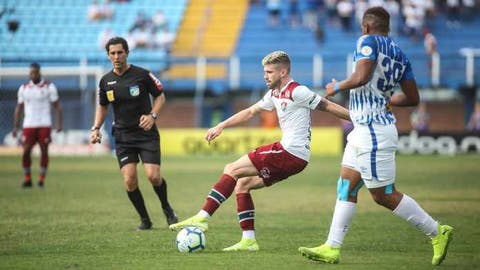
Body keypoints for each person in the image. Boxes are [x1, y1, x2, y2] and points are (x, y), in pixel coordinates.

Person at [298, 7, 453, 266]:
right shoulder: (400, 55)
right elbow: (413, 98)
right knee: (346, 185)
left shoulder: (366, 41)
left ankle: (437, 231)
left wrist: (336, 86)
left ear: (366, 27)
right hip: (364, 129)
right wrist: (387, 99)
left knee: (383, 195)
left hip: (372, 130)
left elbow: (362, 76)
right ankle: (332, 247)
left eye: (363, 28)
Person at [169, 51, 351, 251]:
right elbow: (250, 112)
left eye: (269, 72)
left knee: (231, 168)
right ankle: (248, 241)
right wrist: (221, 125)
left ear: (283, 72)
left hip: (289, 152)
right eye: (264, 72)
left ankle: (202, 217)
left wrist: (357, 119)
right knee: (243, 185)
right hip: (295, 158)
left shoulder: (297, 91)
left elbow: (327, 105)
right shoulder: (274, 93)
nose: (265, 76)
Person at [90, 37, 178, 230]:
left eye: (120, 52)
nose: (116, 56)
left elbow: (160, 96)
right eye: (112, 53)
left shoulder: (142, 75)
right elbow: (103, 106)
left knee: (153, 176)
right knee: (129, 180)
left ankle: (167, 209)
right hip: (123, 136)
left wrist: (152, 115)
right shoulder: (105, 81)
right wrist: (96, 128)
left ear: (127, 53)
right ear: (108, 55)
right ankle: (145, 219)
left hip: (146, 134)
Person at [12, 62, 63, 188]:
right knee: (26, 151)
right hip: (28, 124)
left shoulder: (49, 86)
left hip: (44, 123)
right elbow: (19, 108)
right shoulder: (23, 88)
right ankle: (27, 178)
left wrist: (59, 124)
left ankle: (41, 179)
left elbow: (57, 107)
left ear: (39, 72)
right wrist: (15, 126)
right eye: (30, 73)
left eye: (35, 72)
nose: (32, 75)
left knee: (44, 151)